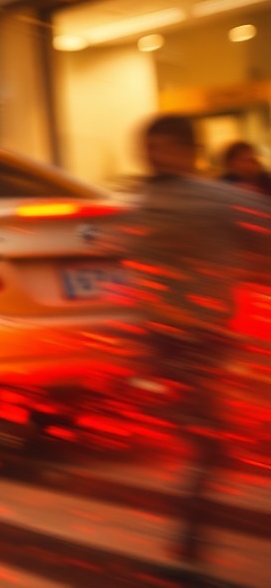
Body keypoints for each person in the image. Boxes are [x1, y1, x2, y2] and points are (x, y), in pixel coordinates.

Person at [110, 116, 271, 565]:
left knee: (208, 439)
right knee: (207, 439)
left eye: (161, 148)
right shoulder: (146, 202)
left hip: (205, 339)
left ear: (187, 150)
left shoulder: (218, 200)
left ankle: (191, 530)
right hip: (169, 342)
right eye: (148, 149)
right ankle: (191, 528)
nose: (153, 158)